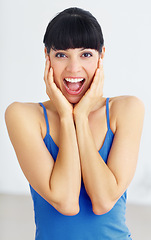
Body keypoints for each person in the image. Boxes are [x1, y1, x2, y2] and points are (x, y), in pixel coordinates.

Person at [5, 7, 145, 240]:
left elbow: (103, 201)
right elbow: (66, 202)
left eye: (86, 54)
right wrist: (65, 115)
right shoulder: (23, 115)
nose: (73, 68)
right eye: (61, 54)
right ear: (47, 56)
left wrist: (80, 116)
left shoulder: (127, 110)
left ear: (101, 56)